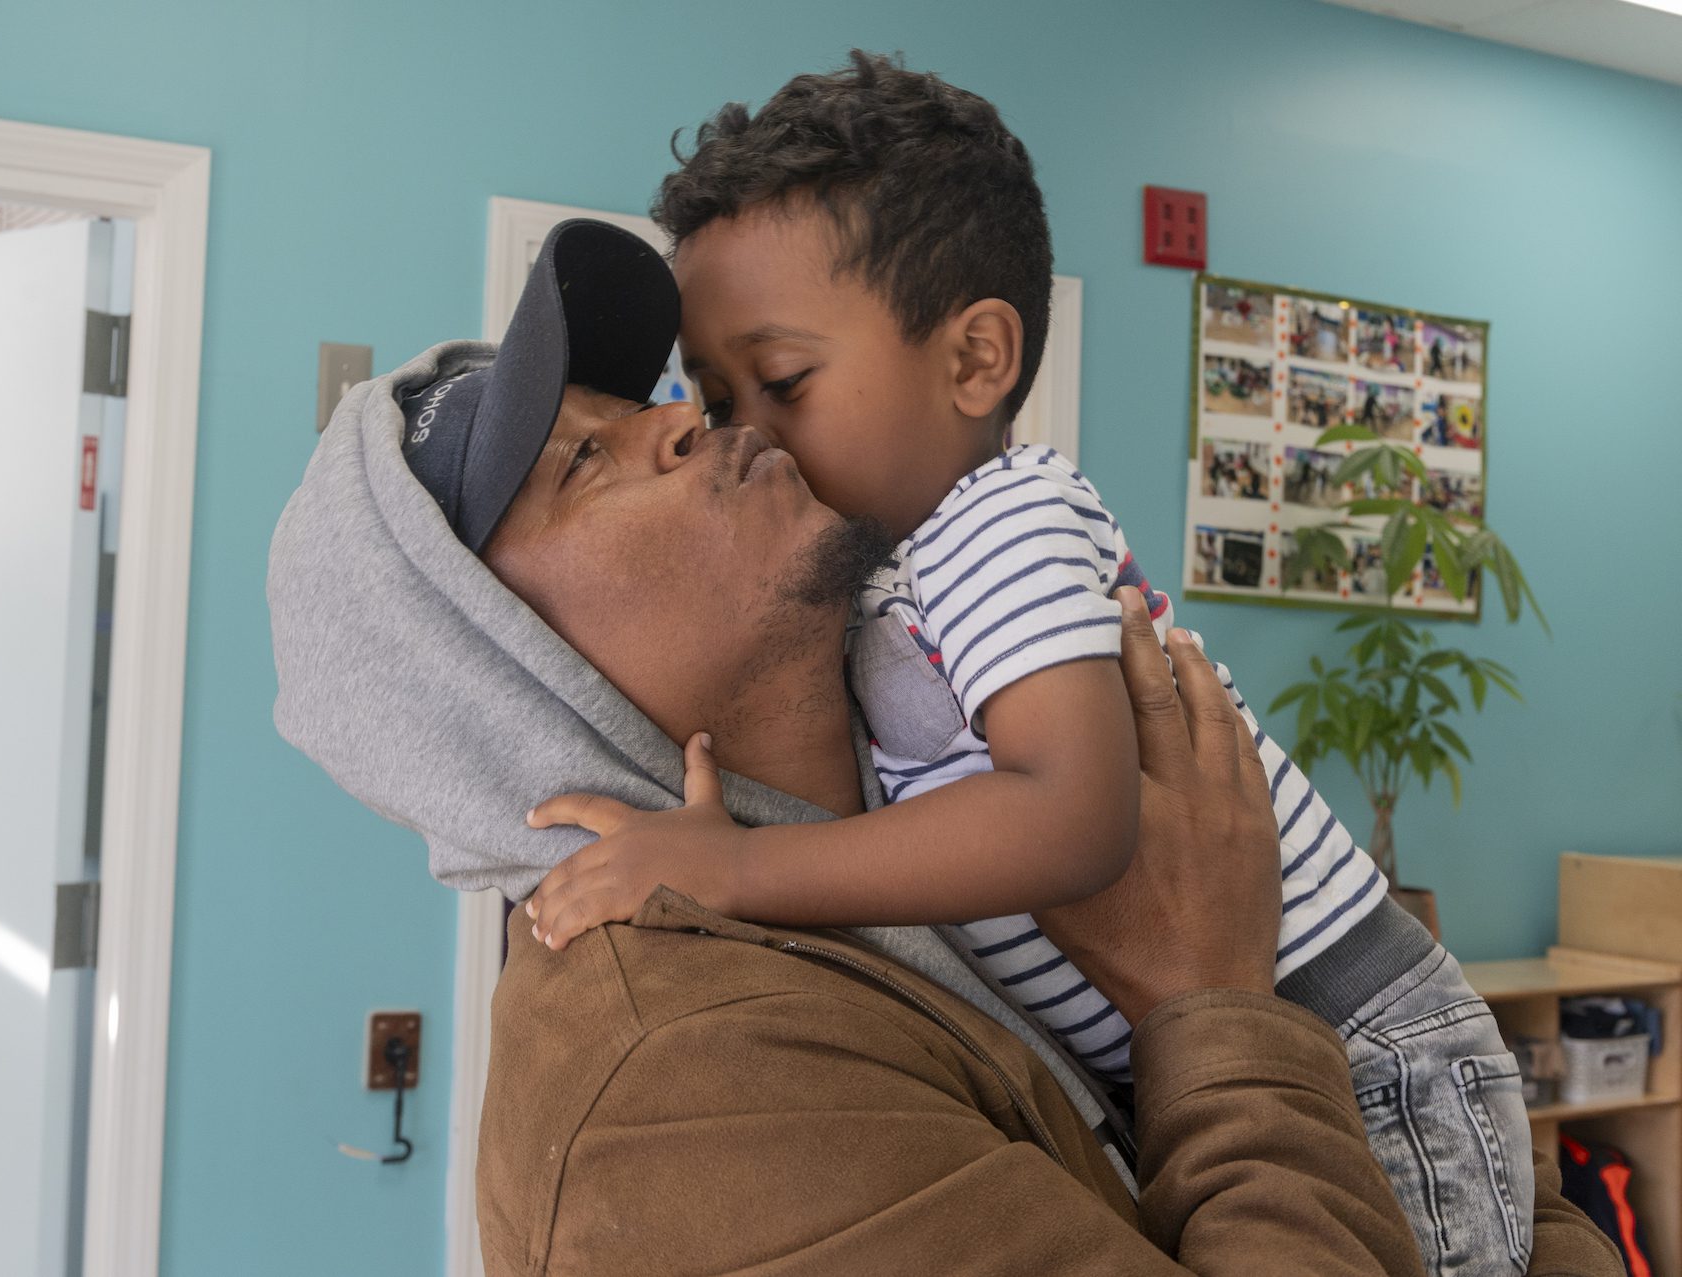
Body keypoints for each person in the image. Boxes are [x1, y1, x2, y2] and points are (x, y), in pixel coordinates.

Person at [265, 218, 1618, 1275]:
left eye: (646, 404)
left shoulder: (935, 792)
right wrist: (1214, 1001)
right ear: (502, 673)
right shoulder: (677, 1082)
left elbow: (1473, 1170)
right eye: (583, 463)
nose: (685, 419)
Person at [521, 54, 1538, 1277]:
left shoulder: (1002, 522)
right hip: (1228, 1056)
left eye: (783, 381)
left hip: (1363, 1045)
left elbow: (1071, 816)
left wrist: (737, 866)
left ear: (975, 360)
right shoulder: (883, 583)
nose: (742, 433)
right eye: (719, 393)